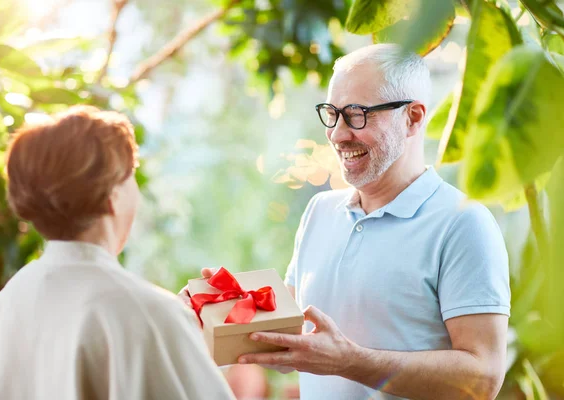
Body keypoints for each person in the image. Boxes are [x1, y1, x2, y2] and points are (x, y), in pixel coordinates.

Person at [186, 44, 511, 400]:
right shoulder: (319, 211)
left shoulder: (463, 223)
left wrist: (349, 361)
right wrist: (220, 310)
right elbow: (292, 344)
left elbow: (483, 379)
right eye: (332, 113)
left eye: (357, 114)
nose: (338, 134)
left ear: (413, 118)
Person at [0, 106, 235, 400]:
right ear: (113, 196)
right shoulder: (148, 314)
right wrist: (171, 327)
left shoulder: (5, 305)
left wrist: (179, 331)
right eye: (131, 175)